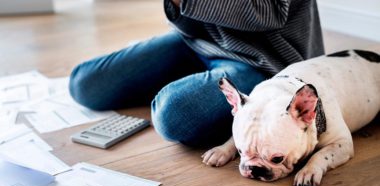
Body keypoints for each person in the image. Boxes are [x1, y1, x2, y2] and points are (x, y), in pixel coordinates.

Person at [69, 0, 324, 151]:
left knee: (175, 115)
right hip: (198, 43)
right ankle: (203, 88)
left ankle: (233, 103)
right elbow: (190, 21)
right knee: (85, 84)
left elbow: (270, 13)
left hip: (262, 59)